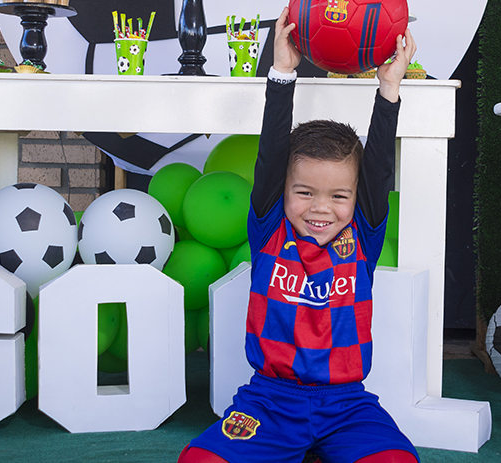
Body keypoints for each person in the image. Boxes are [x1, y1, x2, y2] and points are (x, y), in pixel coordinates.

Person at [177, 7, 418, 463]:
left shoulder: (361, 237)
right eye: (305, 192)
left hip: (347, 405)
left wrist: (389, 91)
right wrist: (283, 73)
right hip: (269, 403)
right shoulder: (271, 230)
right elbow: (270, 154)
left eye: (338, 196)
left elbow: (379, 168)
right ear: (283, 191)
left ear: (355, 198)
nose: (321, 208)